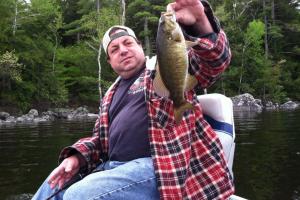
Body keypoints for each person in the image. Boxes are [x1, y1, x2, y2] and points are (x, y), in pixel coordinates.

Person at [32, 0, 234, 199]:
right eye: (114, 49)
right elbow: (100, 141)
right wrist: (77, 157)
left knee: (79, 195)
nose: (123, 50)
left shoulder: (161, 68)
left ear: (139, 46)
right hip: (112, 169)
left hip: (162, 166)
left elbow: (215, 61)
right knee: (52, 185)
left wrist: (200, 22)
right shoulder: (110, 94)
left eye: (127, 43)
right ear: (110, 62)